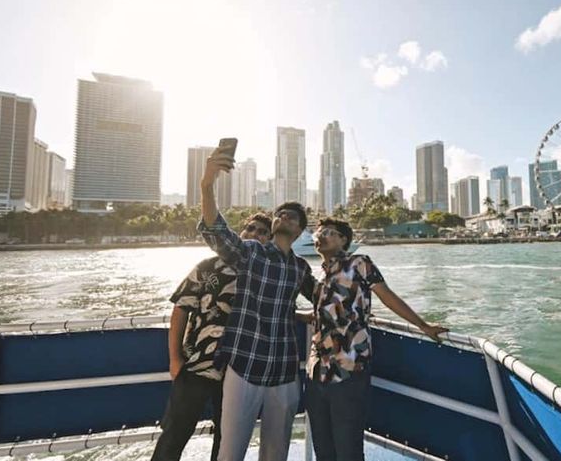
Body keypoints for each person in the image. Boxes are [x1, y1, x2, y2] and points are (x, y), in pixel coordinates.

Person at [197, 145, 313, 461]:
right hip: (245, 362)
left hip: (285, 368)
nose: (282, 216)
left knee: (277, 451)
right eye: (279, 213)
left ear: (300, 229)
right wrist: (207, 184)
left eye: (290, 215)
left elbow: (325, 300)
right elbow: (218, 230)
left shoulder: (301, 268)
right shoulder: (251, 252)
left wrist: (309, 314)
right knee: (230, 450)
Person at [303, 217, 449, 461]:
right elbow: (320, 315)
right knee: (323, 446)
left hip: (349, 367)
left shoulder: (359, 263)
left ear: (343, 240)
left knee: (348, 446)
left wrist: (423, 326)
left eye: (329, 232)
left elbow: (387, 296)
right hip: (317, 372)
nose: (321, 236)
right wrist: (289, 314)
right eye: (318, 233)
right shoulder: (321, 277)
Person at [151, 214, 272, 461]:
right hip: (197, 365)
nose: (254, 234)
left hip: (238, 372)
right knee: (174, 434)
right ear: (240, 232)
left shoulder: (265, 274)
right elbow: (180, 310)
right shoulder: (207, 267)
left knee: (226, 440)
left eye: (262, 231)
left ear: (269, 239)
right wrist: (174, 358)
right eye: (250, 228)